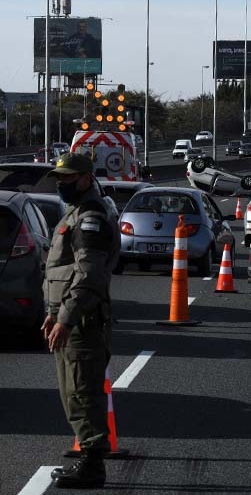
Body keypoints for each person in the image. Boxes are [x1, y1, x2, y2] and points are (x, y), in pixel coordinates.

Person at [42, 153, 120, 489]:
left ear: (86, 179)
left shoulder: (91, 218)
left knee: (83, 393)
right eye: (59, 179)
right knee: (72, 393)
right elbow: (64, 271)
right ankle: (88, 460)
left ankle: (92, 466)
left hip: (83, 322)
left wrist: (67, 319)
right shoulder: (75, 214)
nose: (62, 184)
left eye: (68, 178)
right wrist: (52, 314)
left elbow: (89, 276)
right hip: (71, 319)